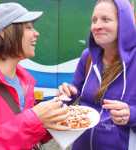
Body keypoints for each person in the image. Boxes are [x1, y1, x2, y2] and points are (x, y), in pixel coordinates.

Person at [0, 2, 69, 150]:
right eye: (28, 27)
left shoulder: (24, 80)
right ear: (3, 32)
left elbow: (28, 134)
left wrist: (58, 110)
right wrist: (34, 119)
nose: (36, 33)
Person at [58, 0, 136, 149]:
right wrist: (67, 92)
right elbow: (75, 90)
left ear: (123, 23)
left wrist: (131, 114)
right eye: (94, 20)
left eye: (105, 19)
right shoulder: (87, 56)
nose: (96, 26)